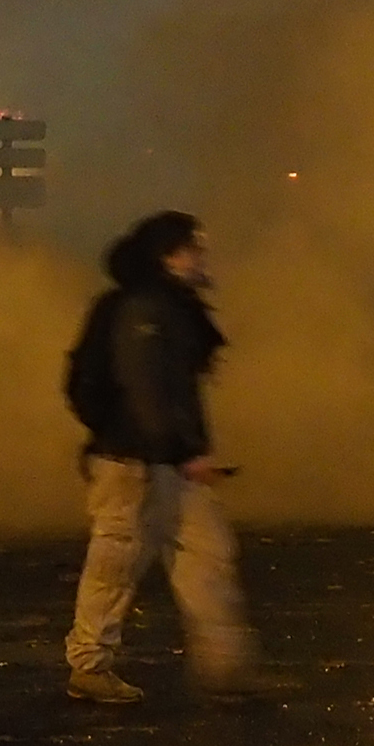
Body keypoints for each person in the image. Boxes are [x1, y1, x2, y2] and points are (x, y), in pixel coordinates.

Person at [63, 209, 265, 704]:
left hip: (167, 462)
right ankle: (89, 666)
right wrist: (185, 452)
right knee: (115, 564)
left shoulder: (170, 307)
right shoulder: (145, 310)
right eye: (194, 247)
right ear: (169, 256)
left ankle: (226, 667)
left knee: (208, 553)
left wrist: (185, 454)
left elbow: (171, 392)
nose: (203, 256)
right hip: (133, 463)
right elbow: (149, 391)